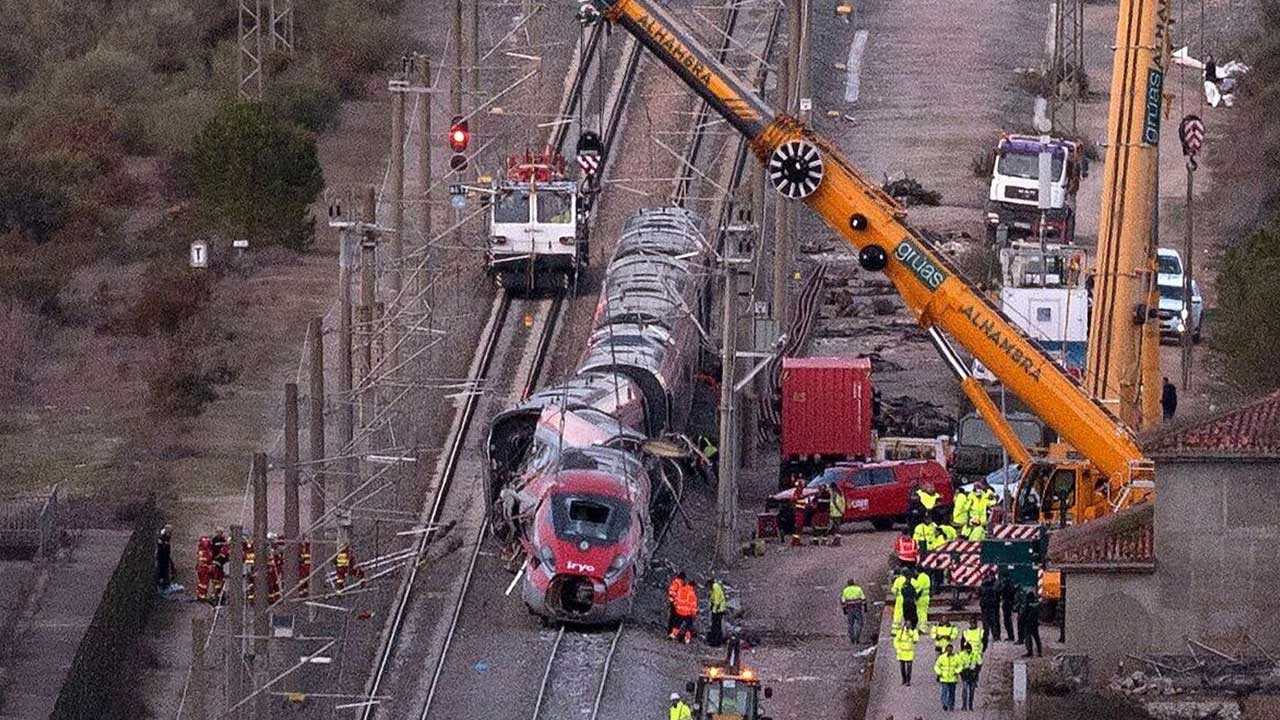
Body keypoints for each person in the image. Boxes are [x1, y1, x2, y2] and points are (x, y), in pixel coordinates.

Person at [934, 642, 961, 712]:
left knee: (952, 693)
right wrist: (939, 673)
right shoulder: (942, 657)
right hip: (944, 678)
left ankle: (951, 705)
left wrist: (957, 671)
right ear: (946, 650)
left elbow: (960, 666)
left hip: (953, 678)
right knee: (944, 692)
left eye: (951, 649)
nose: (949, 650)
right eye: (948, 649)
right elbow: (936, 666)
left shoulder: (956, 657)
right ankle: (945, 704)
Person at [840, 578, 866, 645]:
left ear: (848, 584)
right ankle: (857, 637)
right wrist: (865, 608)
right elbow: (863, 598)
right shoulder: (858, 589)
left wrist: (844, 610)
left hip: (849, 609)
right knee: (860, 623)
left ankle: (852, 639)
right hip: (857, 608)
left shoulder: (845, 590)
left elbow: (843, 601)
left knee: (850, 624)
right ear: (854, 583)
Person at [671, 579, 699, 643]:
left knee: (677, 624)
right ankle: (687, 639)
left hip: (679, 611)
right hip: (687, 613)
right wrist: (694, 613)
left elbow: (676, 599)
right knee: (689, 626)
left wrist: (676, 607)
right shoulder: (692, 593)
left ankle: (673, 635)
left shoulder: (681, 589)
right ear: (693, 586)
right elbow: (693, 605)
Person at [979, 575, 1001, 645]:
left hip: (985, 608)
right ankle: (995, 636)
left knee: (985, 624)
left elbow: (980, 597)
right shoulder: (993, 590)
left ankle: (986, 636)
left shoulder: (983, 590)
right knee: (993, 623)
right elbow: (995, 599)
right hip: (992, 608)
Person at [1020, 590, 1043, 657]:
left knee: (1028, 637)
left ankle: (1030, 652)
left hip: (1028, 623)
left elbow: (1024, 613)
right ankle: (1039, 652)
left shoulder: (1028, 603)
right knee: (1037, 637)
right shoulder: (1037, 603)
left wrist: (1021, 620)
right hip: (1035, 623)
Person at [959, 640, 980, 711]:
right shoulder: (961, 655)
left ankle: (970, 705)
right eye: (966, 649)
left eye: (969, 649)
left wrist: (976, 673)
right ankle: (964, 705)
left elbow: (979, 664)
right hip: (965, 674)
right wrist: (961, 673)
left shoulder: (975, 654)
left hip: (973, 674)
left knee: (972, 691)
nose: (968, 650)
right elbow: (959, 665)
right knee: (964, 690)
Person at [998, 572, 1019, 642]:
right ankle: (1011, 636)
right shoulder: (1011, 583)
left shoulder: (1006, 584)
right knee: (1008, 620)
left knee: (1007, 621)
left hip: (1006, 602)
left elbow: (1002, 591)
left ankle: (1011, 636)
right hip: (1009, 602)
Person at [708, 577, 727, 646]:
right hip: (720, 609)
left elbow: (717, 600)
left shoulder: (715, 587)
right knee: (717, 626)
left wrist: (714, 610)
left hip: (718, 610)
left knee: (715, 626)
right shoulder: (716, 587)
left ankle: (715, 642)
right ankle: (718, 641)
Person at [911, 568, 931, 632]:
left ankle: (922, 627)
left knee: (920, 613)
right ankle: (923, 627)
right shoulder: (926, 576)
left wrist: (912, 581)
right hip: (926, 597)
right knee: (924, 612)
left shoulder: (921, 577)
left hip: (921, 598)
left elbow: (919, 587)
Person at [156, 525, 175, 590]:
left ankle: (164, 581)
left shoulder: (163, 537)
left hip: (164, 556)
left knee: (166, 567)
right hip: (162, 558)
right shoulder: (162, 540)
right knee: (163, 569)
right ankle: (163, 583)